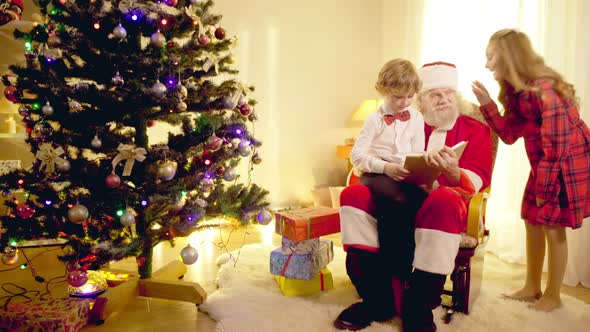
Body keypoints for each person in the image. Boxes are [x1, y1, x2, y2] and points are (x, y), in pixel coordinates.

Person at [335, 61, 493, 332]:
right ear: (421, 99)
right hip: (401, 195)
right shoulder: (411, 121)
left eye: (448, 93)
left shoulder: (475, 130)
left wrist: (453, 172)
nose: (443, 100)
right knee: (354, 194)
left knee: (441, 200)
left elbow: (477, 178)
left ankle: (418, 304)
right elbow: (373, 154)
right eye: (435, 94)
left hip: (446, 202)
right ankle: (375, 298)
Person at [472, 28, 590, 312]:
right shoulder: (518, 93)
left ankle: (553, 295)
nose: (487, 65)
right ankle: (531, 286)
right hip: (544, 162)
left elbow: (558, 148)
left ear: (508, 58)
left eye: (491, 58)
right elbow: (510, 135)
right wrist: (488, 104)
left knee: (552, 225)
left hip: (564, 163)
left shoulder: (546, 92)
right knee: (532, 219)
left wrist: (545, 189)